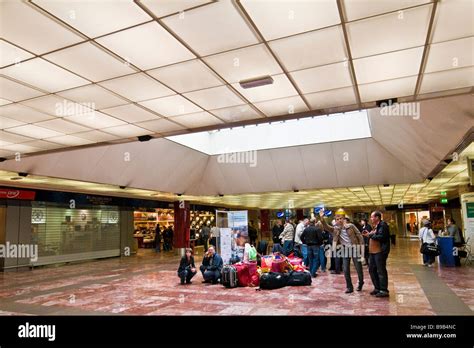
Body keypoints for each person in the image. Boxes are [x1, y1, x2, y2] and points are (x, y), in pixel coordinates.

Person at [320, 209, 364, 293]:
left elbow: (359, 236)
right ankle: (349, 287)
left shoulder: (351, 226)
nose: (339, 220)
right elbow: (326, 227)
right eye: (337, 219)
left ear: (344, 219)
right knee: (346, 269)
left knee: (358, 268)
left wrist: (361, 247)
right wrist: (322, 218)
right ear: (335, 221)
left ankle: (361, 282)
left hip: (354, 248)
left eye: (341, 219)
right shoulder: (335, 229)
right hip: (344, 250)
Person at [364, 211, 391, 298]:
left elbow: (381, 237)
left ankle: (383, 290)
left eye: (372, 217)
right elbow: (376, 234)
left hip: (380, 252)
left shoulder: (383, 225)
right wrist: (370, 234)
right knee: (372, 270)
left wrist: (370, 235)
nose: (371, 219)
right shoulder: (376, 226)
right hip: (373, 252)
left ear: (377, 218)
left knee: (381, 270)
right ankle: (377, 288)